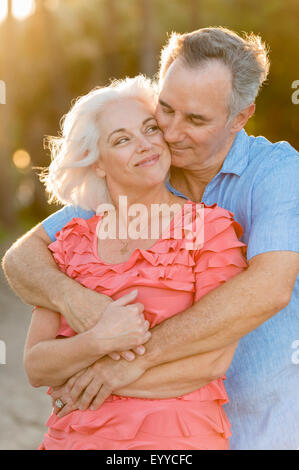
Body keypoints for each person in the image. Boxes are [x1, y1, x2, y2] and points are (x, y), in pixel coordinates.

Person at [3, 27, 299, 450]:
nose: (172, 133)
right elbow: (22, 258)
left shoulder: (277, 173)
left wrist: (116, 370)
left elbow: (269, 289)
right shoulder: (144, 173)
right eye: (166, 109)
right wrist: (81, 304)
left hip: (265, 426)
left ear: (241, 117)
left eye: (195, 120)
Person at [23, 76, 247, 450]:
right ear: (96, 164)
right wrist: (98, 340)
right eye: (122, 139)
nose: (146, 146)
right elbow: (36, 366)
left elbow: (212, 361)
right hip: (73, 439)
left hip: (175, 441)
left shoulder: (209, 229)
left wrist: (97, 377)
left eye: (150, 130)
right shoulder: (71, 243)